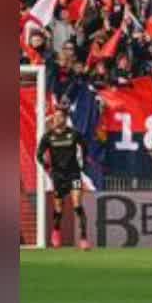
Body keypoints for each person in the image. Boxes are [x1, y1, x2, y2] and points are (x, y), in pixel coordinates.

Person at [35, 105, 89, 249]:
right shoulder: (48, 136)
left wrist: (83, 164)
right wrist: (48, 169)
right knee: (59, 207)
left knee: (77, 203)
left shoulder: (74, 134)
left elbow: (85, 147)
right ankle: (56, 231)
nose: (56, 118)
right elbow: (39, 155)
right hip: (58, 175)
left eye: (59, 116)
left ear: (65, 119)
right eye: (55, 116)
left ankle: (84, 238)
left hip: (74, 173)